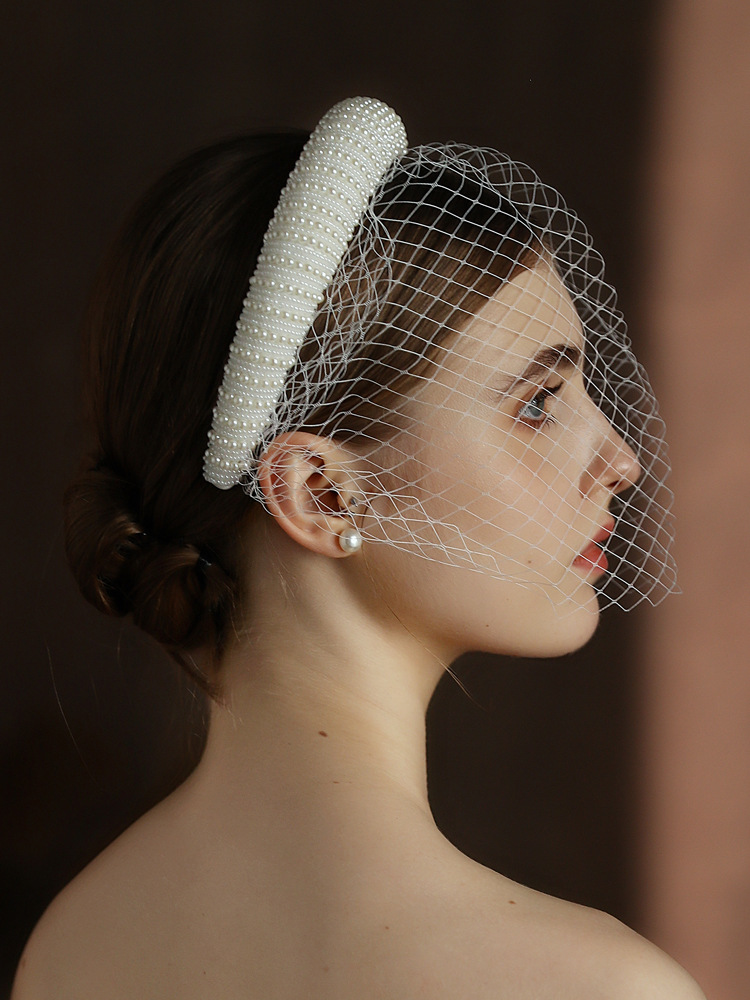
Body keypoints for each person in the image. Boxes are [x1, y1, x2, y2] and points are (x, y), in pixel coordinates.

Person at [12, 98, 703, 999]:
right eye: (537, 404)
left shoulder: (70, 950)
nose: (619, 459)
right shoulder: (598, 987)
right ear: (321, 493)